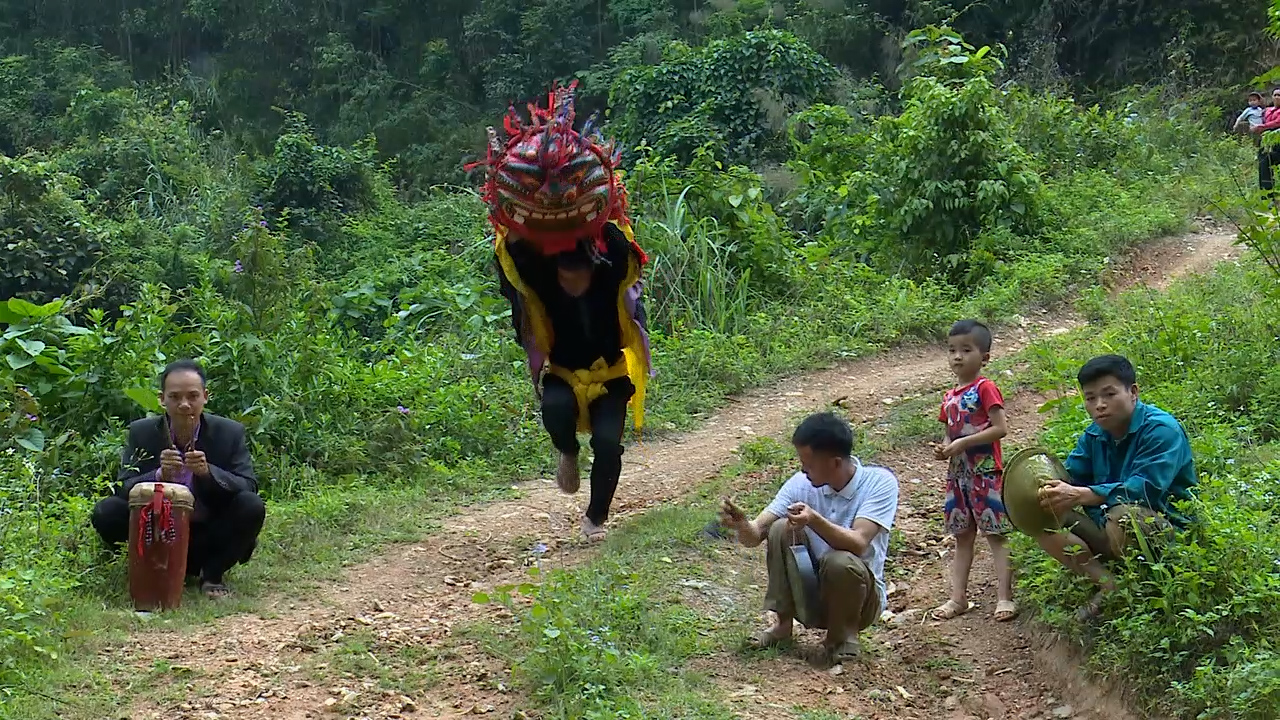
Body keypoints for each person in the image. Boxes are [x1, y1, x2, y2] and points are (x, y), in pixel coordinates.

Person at [470, 81, 652, 542]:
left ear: (592, 272)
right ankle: (567, 452)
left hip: (610, 374)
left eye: (578, 277)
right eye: (564, 278)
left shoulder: (608, 271)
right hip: (564, 372)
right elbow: (514, 255)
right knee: (554, 409)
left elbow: (616, 236)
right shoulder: (542, 281)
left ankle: (596, 518)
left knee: (610, 443)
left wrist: (605, 201)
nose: (571, 283)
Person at [719, 412, 899, 665]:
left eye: (809, 463)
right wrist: (742, 525)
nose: (803, 469)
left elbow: (859, 542)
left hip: (859, 601)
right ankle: (782, 626)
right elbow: (756, 535)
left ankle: (844, 637)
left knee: (840, 560)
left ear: (835, 463)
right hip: (811, 592)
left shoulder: (879, 483)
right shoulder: (801, 483)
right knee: (781, 528)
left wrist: (815, 520)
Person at [1034, 354, 1197, 622]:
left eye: (1109, 394)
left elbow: (1146, 489)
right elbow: (1070, 475)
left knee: (1124, 514)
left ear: (1133, 392)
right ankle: (1108, 584)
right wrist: (1045, 488)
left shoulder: (1161, 430)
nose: (1099, 405)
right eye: (1090, 398)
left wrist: (1083, 495)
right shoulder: (1094, 435)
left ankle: (1146, 584)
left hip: (1165, 531)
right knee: (1040, 515)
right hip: (1108, 528)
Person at [91, 359, 266, 598]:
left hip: (208, 534)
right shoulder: (142, 432)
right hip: (156, 531)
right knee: (106, 510)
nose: (184, 405)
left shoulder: (229, 432)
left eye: (192, 396)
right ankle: (150, 568)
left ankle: (212, 575)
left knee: (251, 505)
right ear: (162, 399)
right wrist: (158, 476)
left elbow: (248, 485)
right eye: (175, 397)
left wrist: (208, 472)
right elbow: (122, 487)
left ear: (205, 396)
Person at [931, 320, 1016, 622]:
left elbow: (1000, 428)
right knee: (962, 536)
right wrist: (945, 448)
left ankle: (1005, 598)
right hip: (958, 476)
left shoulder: (985, 388)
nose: (957, 357)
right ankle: (957, 598)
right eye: (952, 350)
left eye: (966, 350)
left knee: (995, 534)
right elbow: (948, 433)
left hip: (985, 472)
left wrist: (963, 442)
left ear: (985, 357)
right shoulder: (949, 396)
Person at [1250, 87, 1280, 193]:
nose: (1277, 97)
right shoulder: (1267, 111)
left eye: (1279, 95)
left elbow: (1277, 123)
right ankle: (1267, 193)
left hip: (1278, 142)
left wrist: (1262, 127)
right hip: (1267, 142)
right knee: (1264, 164)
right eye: (1275, 95)